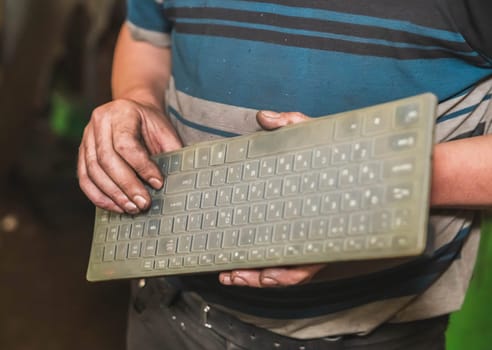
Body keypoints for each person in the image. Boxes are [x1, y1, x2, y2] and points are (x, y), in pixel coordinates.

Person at [77, 1, 492, 349]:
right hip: (165, 305)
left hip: (368, 332)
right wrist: (138, 99)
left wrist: (383, 177)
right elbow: (146, 35)